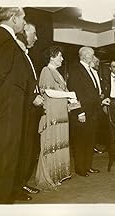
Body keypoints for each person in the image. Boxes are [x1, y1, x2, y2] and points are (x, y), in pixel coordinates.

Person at [0, 7, 31, 203]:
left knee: (11, 153)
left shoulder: (8, 39)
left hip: (11, 106)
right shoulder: (4, 39)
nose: (24, 22)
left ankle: (7, 195)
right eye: (23, 19)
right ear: (13, 18)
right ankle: (0, 202)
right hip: (7, 107)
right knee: (4, 155)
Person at [35, 46, 76, 191]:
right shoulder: (46, 70)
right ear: (52, 56)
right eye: (60, 56)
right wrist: (69, 95)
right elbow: (48, 91)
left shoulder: (57, 73)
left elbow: (63, 92)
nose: (62, 58)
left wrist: (72, 100)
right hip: (52, 115)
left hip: (62, 115)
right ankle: (49, 177)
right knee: (51, 144)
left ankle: (57, 175)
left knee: (60, 143)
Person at [68, 47, 107, 177]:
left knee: (90, 141)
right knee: (80, 141)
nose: (93, 57)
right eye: (92, 55)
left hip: (92, 113)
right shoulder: (76, 70)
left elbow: (93, 92)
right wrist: (78, 112)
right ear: (85, 56)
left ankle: (88, 166)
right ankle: (80, 168)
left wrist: (101, 102)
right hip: (82, 114)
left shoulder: (90, 70)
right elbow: (73, 94)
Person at [15, 23, 44, 195]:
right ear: (25, 33)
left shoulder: (27, 55)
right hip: (24, 111)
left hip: (31, 111)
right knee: (23, 151)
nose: (36, 37)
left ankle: (22, 183)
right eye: (34, 33)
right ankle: (18, 186)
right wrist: (33, 98)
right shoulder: (19, 55)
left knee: (29, 150)